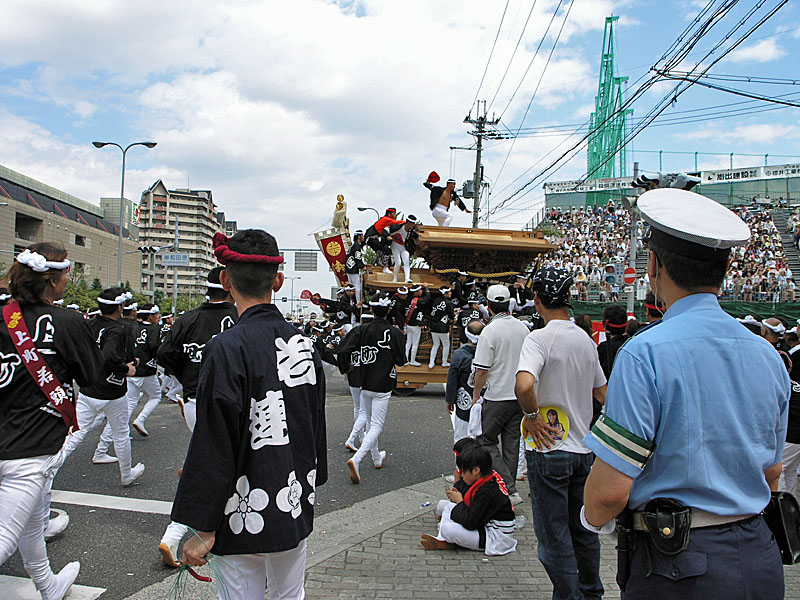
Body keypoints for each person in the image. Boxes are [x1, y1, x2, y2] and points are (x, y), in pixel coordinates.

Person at [582, 188, 789, 599]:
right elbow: (771, 471)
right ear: (724, 269)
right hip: (759, 557)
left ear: (654, 265)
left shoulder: (644, 353)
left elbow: (608, 492)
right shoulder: (767, 355)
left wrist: (592, 518)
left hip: (676, 566)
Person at [175, 230, 327, 600]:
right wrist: (311, 479)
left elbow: (214, 441)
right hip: (292, 495)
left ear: (225, 280)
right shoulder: (303, 345)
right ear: (278, 281)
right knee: (290, 594)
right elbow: (314, 423)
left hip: (240, 506)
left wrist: (203, 526)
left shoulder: (226, 347)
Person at [0, 242, 100, 599]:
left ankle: (48, 584)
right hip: (31, 446)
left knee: (31, 521)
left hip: (8, 435)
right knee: (4, 538)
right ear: (53, 280)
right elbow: (90, 376)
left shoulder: (3, 317)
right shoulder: (68, 322)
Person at [515, 266, 607, 600]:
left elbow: (524, 384)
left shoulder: (538, 338)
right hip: (583, 451)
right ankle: (590, 592)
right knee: (584, 530)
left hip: (548, 449)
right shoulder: (585, 339)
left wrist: (531, 415)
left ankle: (570, 596)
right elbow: (603, 393)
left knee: (553, 536)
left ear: (537, 299)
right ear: (567, 297)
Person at [156, 268, 238, 567]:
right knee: (218, 467)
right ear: (229, 286)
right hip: (229, 404)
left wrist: (187, 378)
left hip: (193, 401)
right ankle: (176, 534)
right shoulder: (240, 317)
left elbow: (164, 353)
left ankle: (186, 530)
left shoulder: (188, 319)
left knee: (210, 462)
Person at [60, 288, 145, 486]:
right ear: (120, 306)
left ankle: (48, 471)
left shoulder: (89, 324)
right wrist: (127, 368)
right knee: (121, 433)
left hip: (88, 386)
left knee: (76, 433)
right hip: (112, 390)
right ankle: (126, 474)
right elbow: (109, 357)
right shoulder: (117, 329)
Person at [338, 293, 406, 484]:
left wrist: (346, 367)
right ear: (389, 310)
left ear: (372, 310)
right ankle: (357, 459)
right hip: (384, 383)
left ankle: (376, 458)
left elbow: (342, 350)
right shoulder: (394, 332)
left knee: (369, 421)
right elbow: (401, 360)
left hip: (364, 382)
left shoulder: (361, 330)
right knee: (376, 425)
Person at [472, 285, 530, 505]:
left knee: (486, 440)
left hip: (497, 395)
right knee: (511, 443)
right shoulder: (522, 328)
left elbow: (482, 369)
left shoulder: (490, 330)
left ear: (488, 305)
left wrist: (476, 395)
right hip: (519, 395)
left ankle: (508, 487)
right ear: (508, 304)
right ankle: (508, 490)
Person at [421, 444, 516, 555]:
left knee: (447, 529)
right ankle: (443, 539)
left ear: (476, 471)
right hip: (483, 525)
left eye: (464, 472)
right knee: (447, 507)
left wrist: (459, 501)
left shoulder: (488, 490)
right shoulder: (484, 480)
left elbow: (471, 522)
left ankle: (446, 537)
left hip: (494, 538)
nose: (462, 475)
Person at [446, 319, 484, 443]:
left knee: (461, 437)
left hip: (465, 398)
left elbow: (452, 379)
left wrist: (450, 400)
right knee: (483, 438)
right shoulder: (491, 353)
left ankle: (461, 456)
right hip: (485, 399)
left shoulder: (459, 355)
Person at [780, 327, 800, 495]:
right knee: (791, 470)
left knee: (778, 468)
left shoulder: (785, 386)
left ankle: (780, 506)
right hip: (795, 434)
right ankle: (791, 503)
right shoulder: (794, 385)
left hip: (792, 433)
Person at [428, 286, 454, 369]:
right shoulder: (447, 303)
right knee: (446, 345)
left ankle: (431, 362)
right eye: (449, 292)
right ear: (445, 294)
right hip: (443, 327)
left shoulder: (435, 300)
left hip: (433, 326)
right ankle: (444, 362)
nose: (451, 293)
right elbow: (452, 315)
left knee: (435, 344)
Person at [403, 284, 429, 366]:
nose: (421, 291)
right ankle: (412, 360)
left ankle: (405, 360)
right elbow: (427, 299)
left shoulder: (407, 299)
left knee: (408, 343)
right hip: (415, 325)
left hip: (408, 324)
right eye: (420, 290)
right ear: (416, 292)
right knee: (415, 343)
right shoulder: (418, 301)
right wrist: (427, 289)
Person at [389, 215, 419, 283]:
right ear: (408, 223)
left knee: (406, 262)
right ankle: (395, 277)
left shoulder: (410, 231)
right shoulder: (399, 227)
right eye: (412, 223)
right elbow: (390, 232)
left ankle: (407, 278)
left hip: (403, 247)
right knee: (398, 262)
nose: (413, 225)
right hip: (395, 246)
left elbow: (415, 235)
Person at [345, 230, 365, 303]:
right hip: (353, 269)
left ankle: (352, 302)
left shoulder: (353, 246)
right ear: (359, 236)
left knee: (351, 287)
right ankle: (358, 303)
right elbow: (358, 258)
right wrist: (362, 266)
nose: (363, 237)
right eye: (362, 235)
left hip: (349, 268)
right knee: (357, 287)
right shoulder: (356, 246)